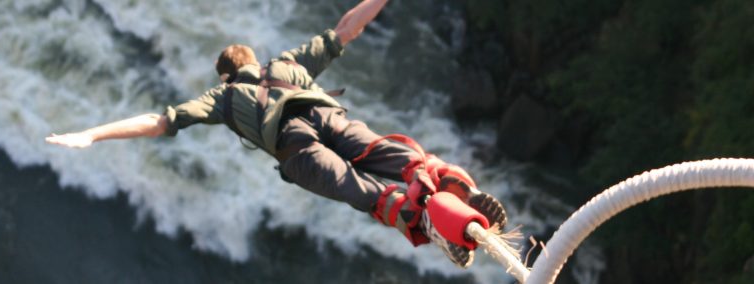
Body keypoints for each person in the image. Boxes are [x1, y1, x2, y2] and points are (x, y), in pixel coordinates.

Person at [46, 0, 507, 268]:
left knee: (369, 195)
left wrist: (92, 134)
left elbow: (161, 121)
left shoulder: (223, 100)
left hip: (298, 149)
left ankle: (428, 223)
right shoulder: (287, 63)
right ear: (253, 59)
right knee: (402, 158)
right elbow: (350, 27)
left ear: (228, 76)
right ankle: (447, 183)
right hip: (332, 120)